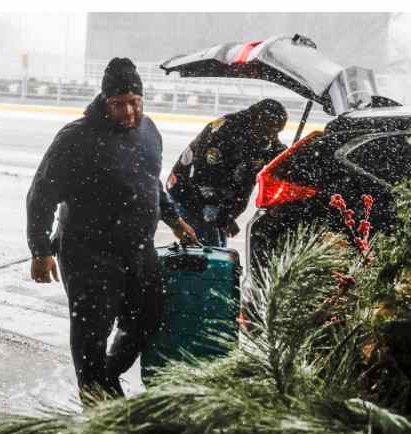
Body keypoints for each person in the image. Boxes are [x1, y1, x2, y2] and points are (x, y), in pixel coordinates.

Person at [26, 57, 197, 405]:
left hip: (138, 247)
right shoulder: (76, 138)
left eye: (135, 102)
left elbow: (151, 185)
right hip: (89, 251)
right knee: (92, 332)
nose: (129, 112)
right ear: (105, 101)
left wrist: (175, 221)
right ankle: (96, 398)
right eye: (119, 104)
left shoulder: (149, 132)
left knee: (146, 319)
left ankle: (104, 377)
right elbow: (40, 195)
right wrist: (40, 250)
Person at [165, 99, 288, 246]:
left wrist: (293, 158)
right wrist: (225, 217)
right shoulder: (223, 133)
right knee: (208, 253)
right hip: (189, 196)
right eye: (271, 130)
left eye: (277, 132)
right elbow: (204, 182)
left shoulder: (262, 134)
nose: (273, 137)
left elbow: (280, 156)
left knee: (217, 250)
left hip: (216, 204)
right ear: (257, 120)